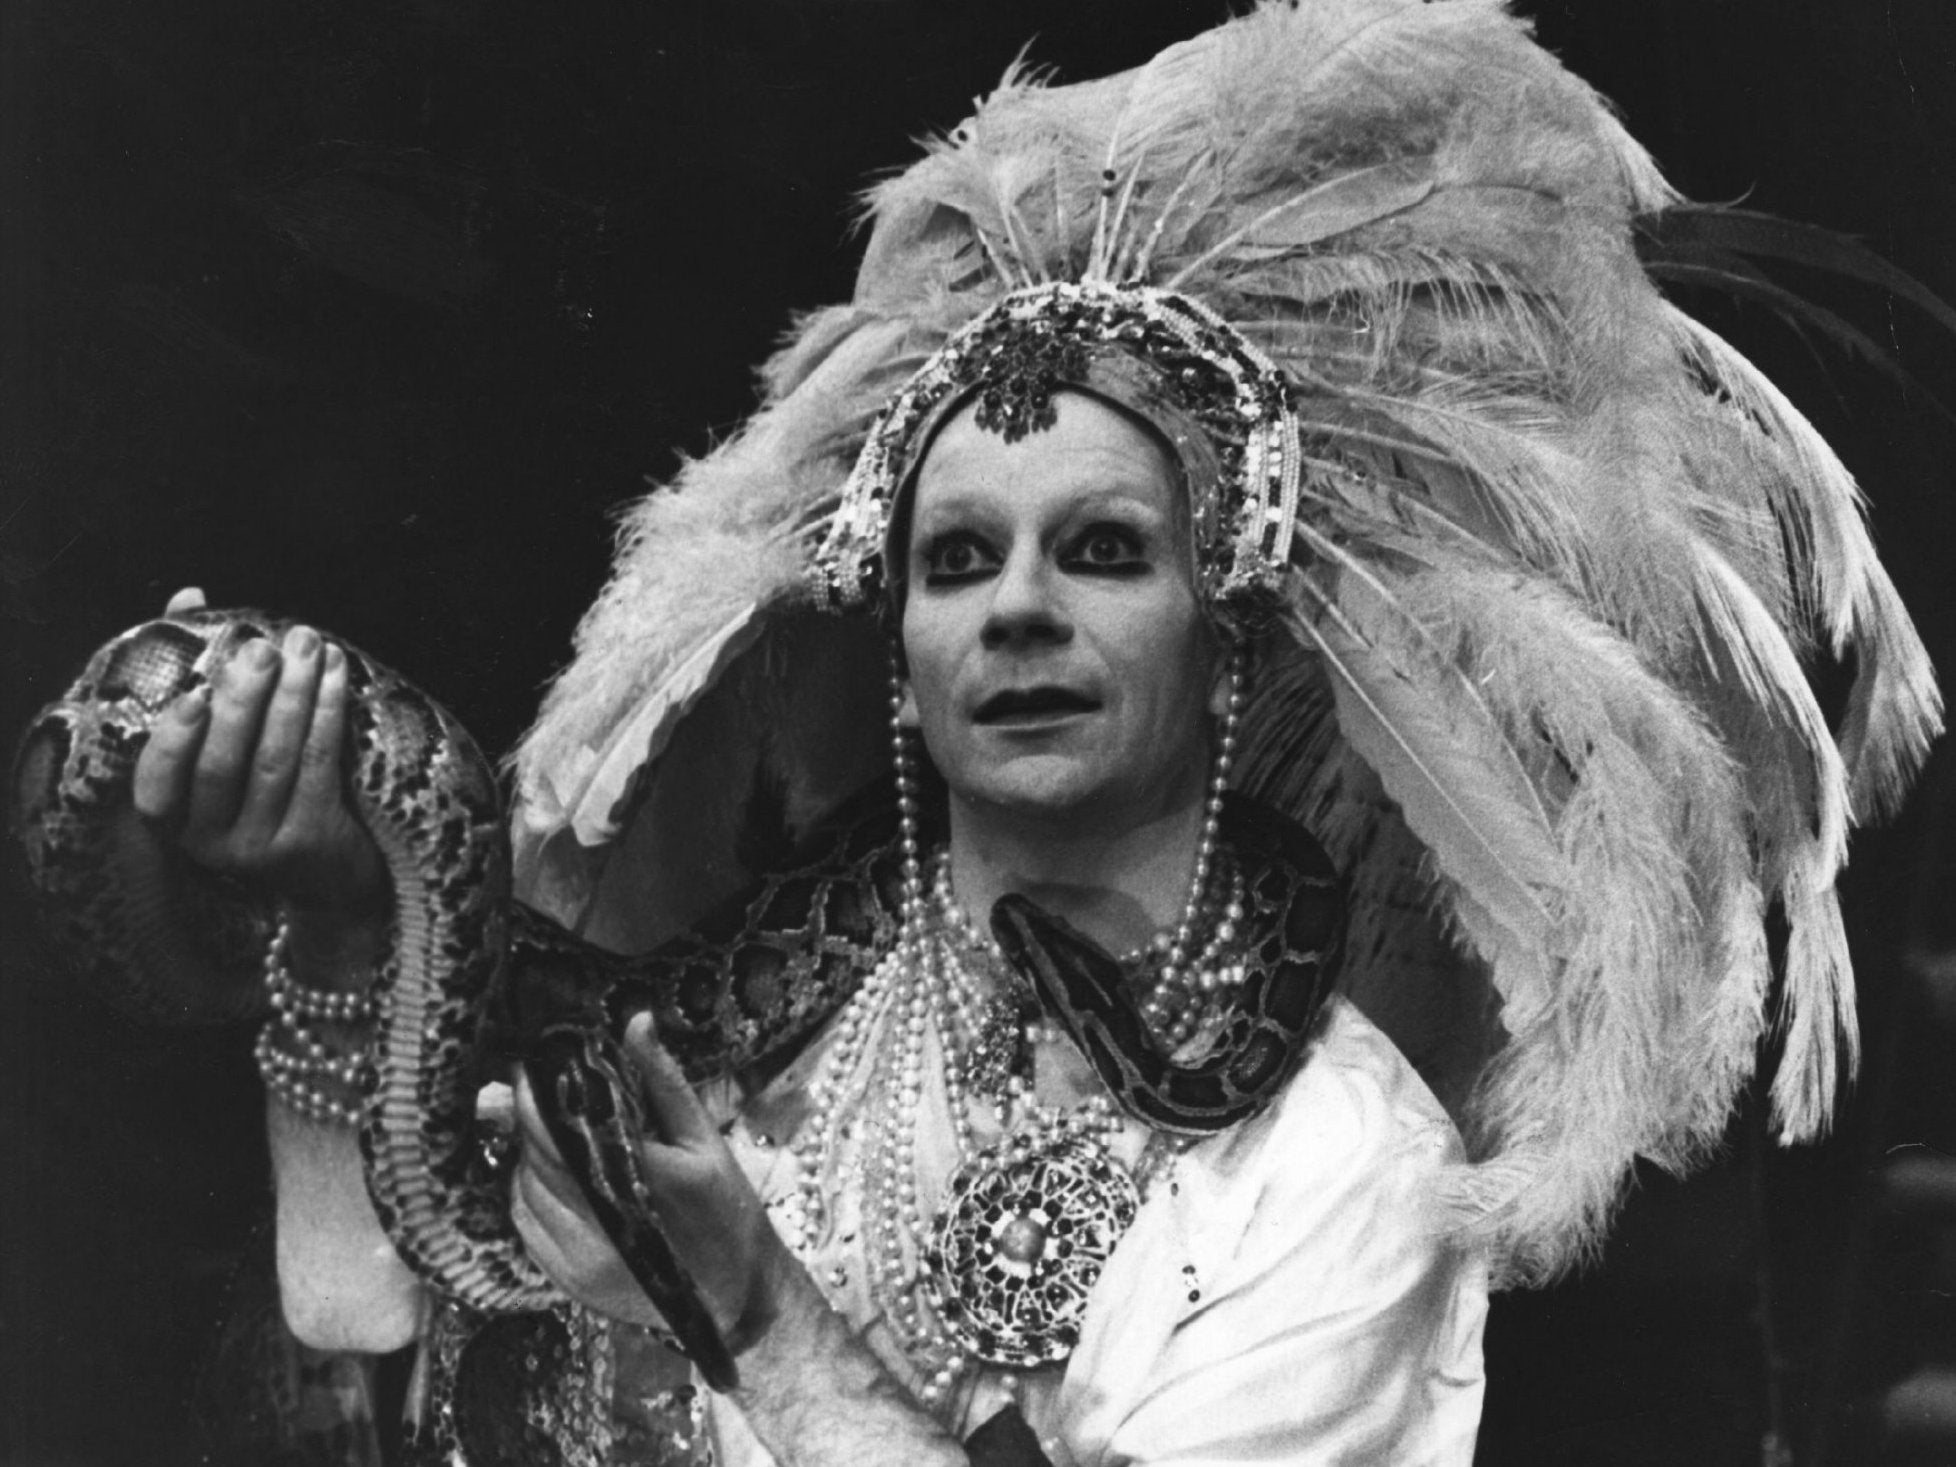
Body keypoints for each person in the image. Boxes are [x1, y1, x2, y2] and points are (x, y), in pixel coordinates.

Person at [122, 1, 1940, 1462]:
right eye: (957, 559)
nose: (1017, 609)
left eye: (1102, 551)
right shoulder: (701, 1024)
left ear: (1221, 641)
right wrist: (346, 942)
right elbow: (361, 1404)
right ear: (896, 646)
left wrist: (756, 1313)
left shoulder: (1334, 1169)